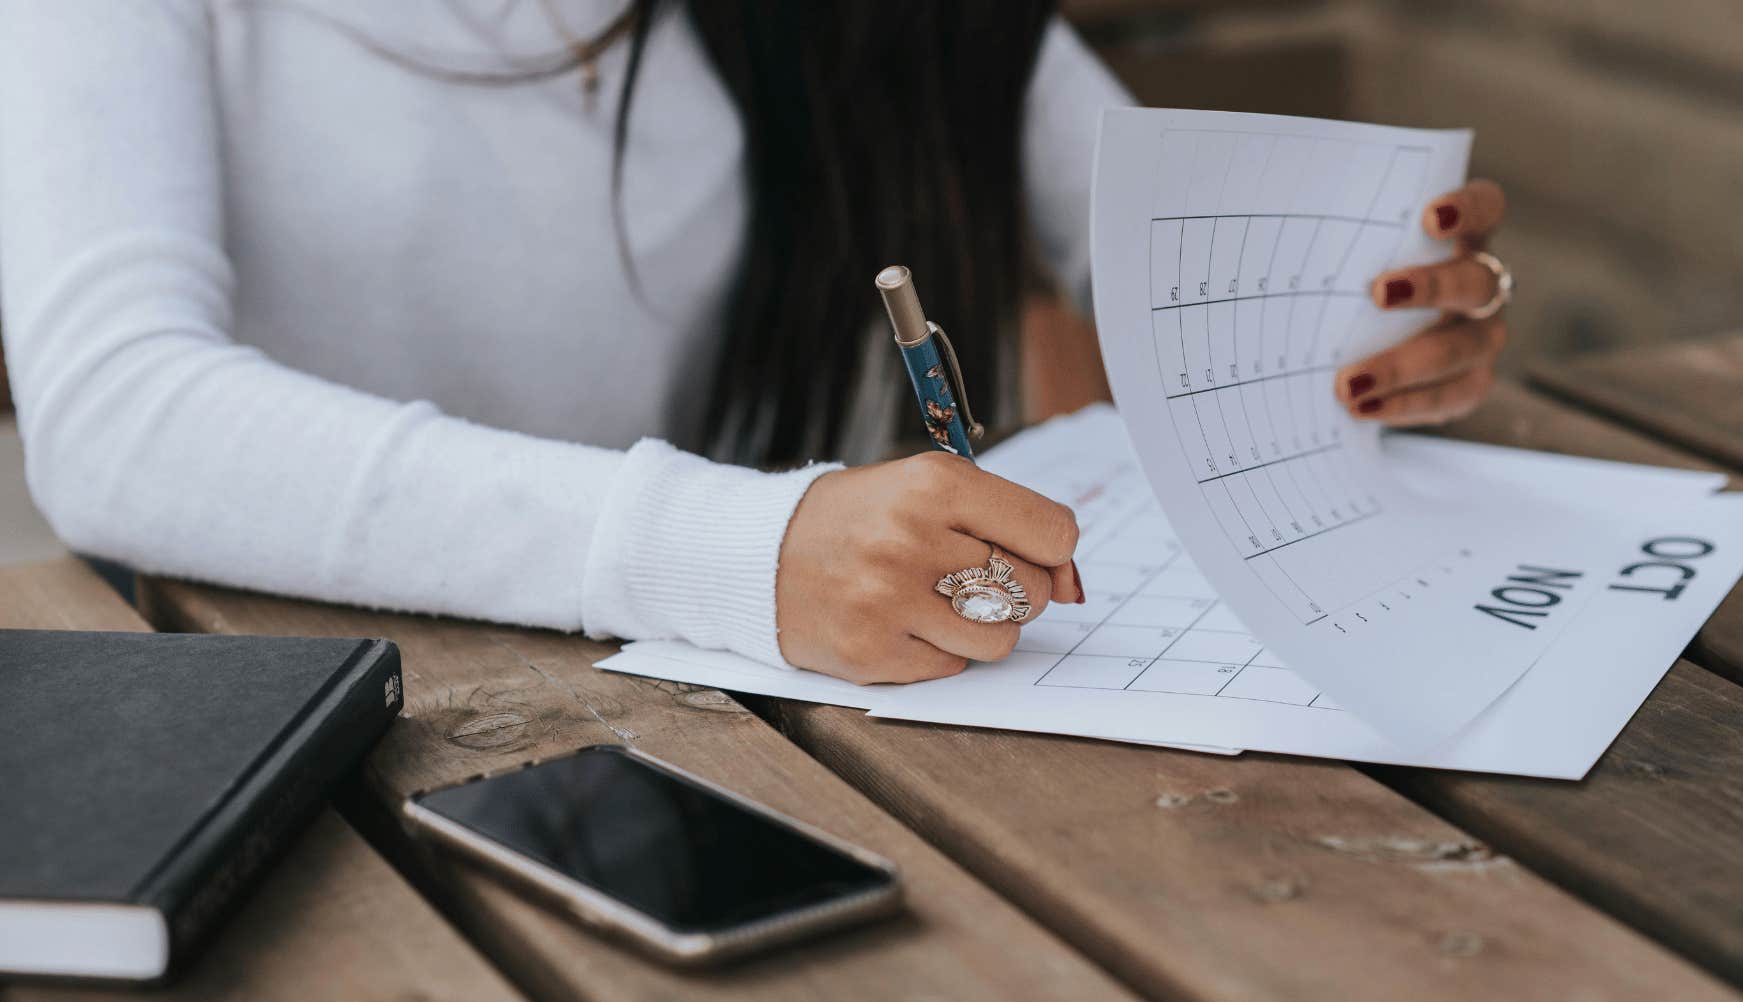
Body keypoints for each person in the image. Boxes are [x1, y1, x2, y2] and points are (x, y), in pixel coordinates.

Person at [0, 1, 1510, 686]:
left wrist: (1358, 322)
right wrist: (739, 543)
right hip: (305, 739)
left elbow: (1166, 255)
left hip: (755, 721)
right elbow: (119, 412)